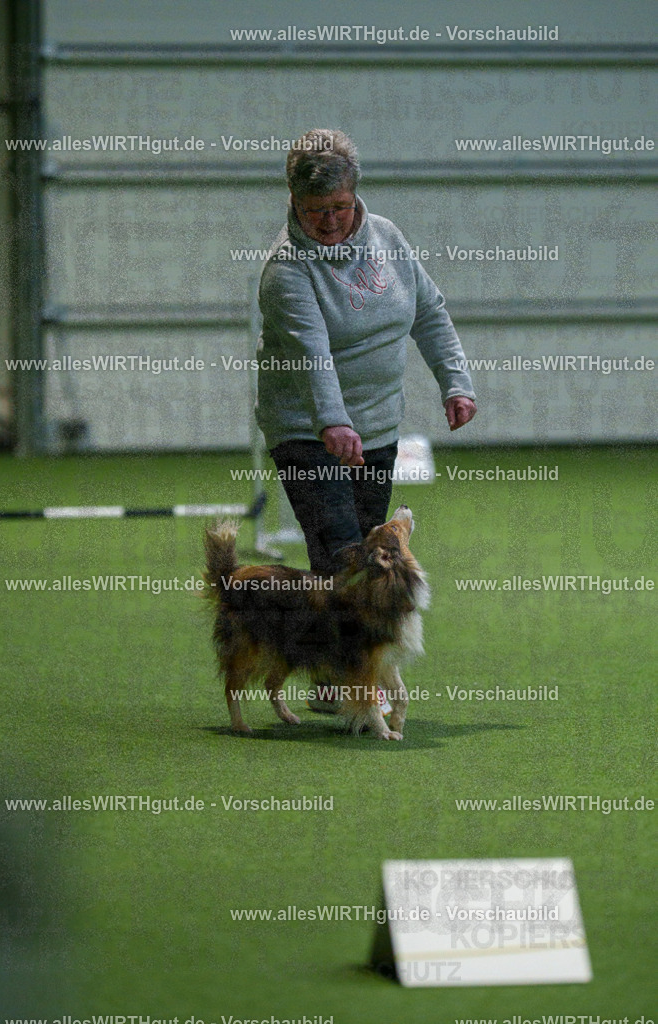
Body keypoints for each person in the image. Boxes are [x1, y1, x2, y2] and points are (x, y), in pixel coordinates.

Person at [254, 128, 477, 710]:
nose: (327, 221)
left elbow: (428, 310)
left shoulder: (388, 238)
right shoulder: (287, 269)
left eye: (339, 208)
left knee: (363, 557)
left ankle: (336, 671)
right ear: (293, 203)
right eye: (313, 210)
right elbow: (312, 354)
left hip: (375, 427)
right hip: (307, 429)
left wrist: (455, 381)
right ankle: (346, 682)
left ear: (356, 196)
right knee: (341, 551)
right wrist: (332, 421)